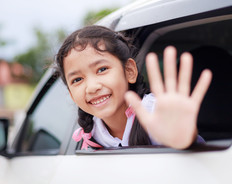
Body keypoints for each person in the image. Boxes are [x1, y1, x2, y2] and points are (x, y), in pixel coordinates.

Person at [55, 25, 212, 150]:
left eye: (102, 69)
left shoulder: (156, 112)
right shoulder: (91, 133)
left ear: (129, 71)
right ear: (71, 94)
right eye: (77, 79)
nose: (91, 87)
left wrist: (183, 138)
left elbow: (186, 141)